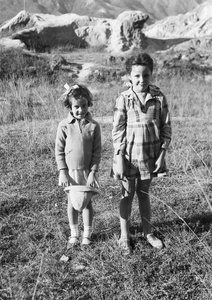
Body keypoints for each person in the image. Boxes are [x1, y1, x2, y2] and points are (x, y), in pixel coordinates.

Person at [112, 53, 172, 254]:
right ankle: (124, 235)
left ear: (151, 74)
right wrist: (119, 157)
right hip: (128, 157)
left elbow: (166, 127)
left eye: (146, 75)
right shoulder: (124, 99)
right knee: (126, 195)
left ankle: (148, 232)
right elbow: (117, 130)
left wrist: (162, 153)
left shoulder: (158, 97)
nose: (142, 80)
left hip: (150, 157)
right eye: (137, 76)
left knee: (144, 195)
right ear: (129, 75)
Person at [55, 83, 101, 248]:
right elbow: (59, 150)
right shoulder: (64, 125)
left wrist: (93, 172)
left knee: (87, 203)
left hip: (87, 172)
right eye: (76, 106)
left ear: (89, 104)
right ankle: (74, 234)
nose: (80, 110)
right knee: (72, 203)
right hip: (70, 173)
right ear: (69, 106)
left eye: (84, 105)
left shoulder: (94, 126)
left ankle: (87, 235)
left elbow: (97, 151)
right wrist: (62, 171)